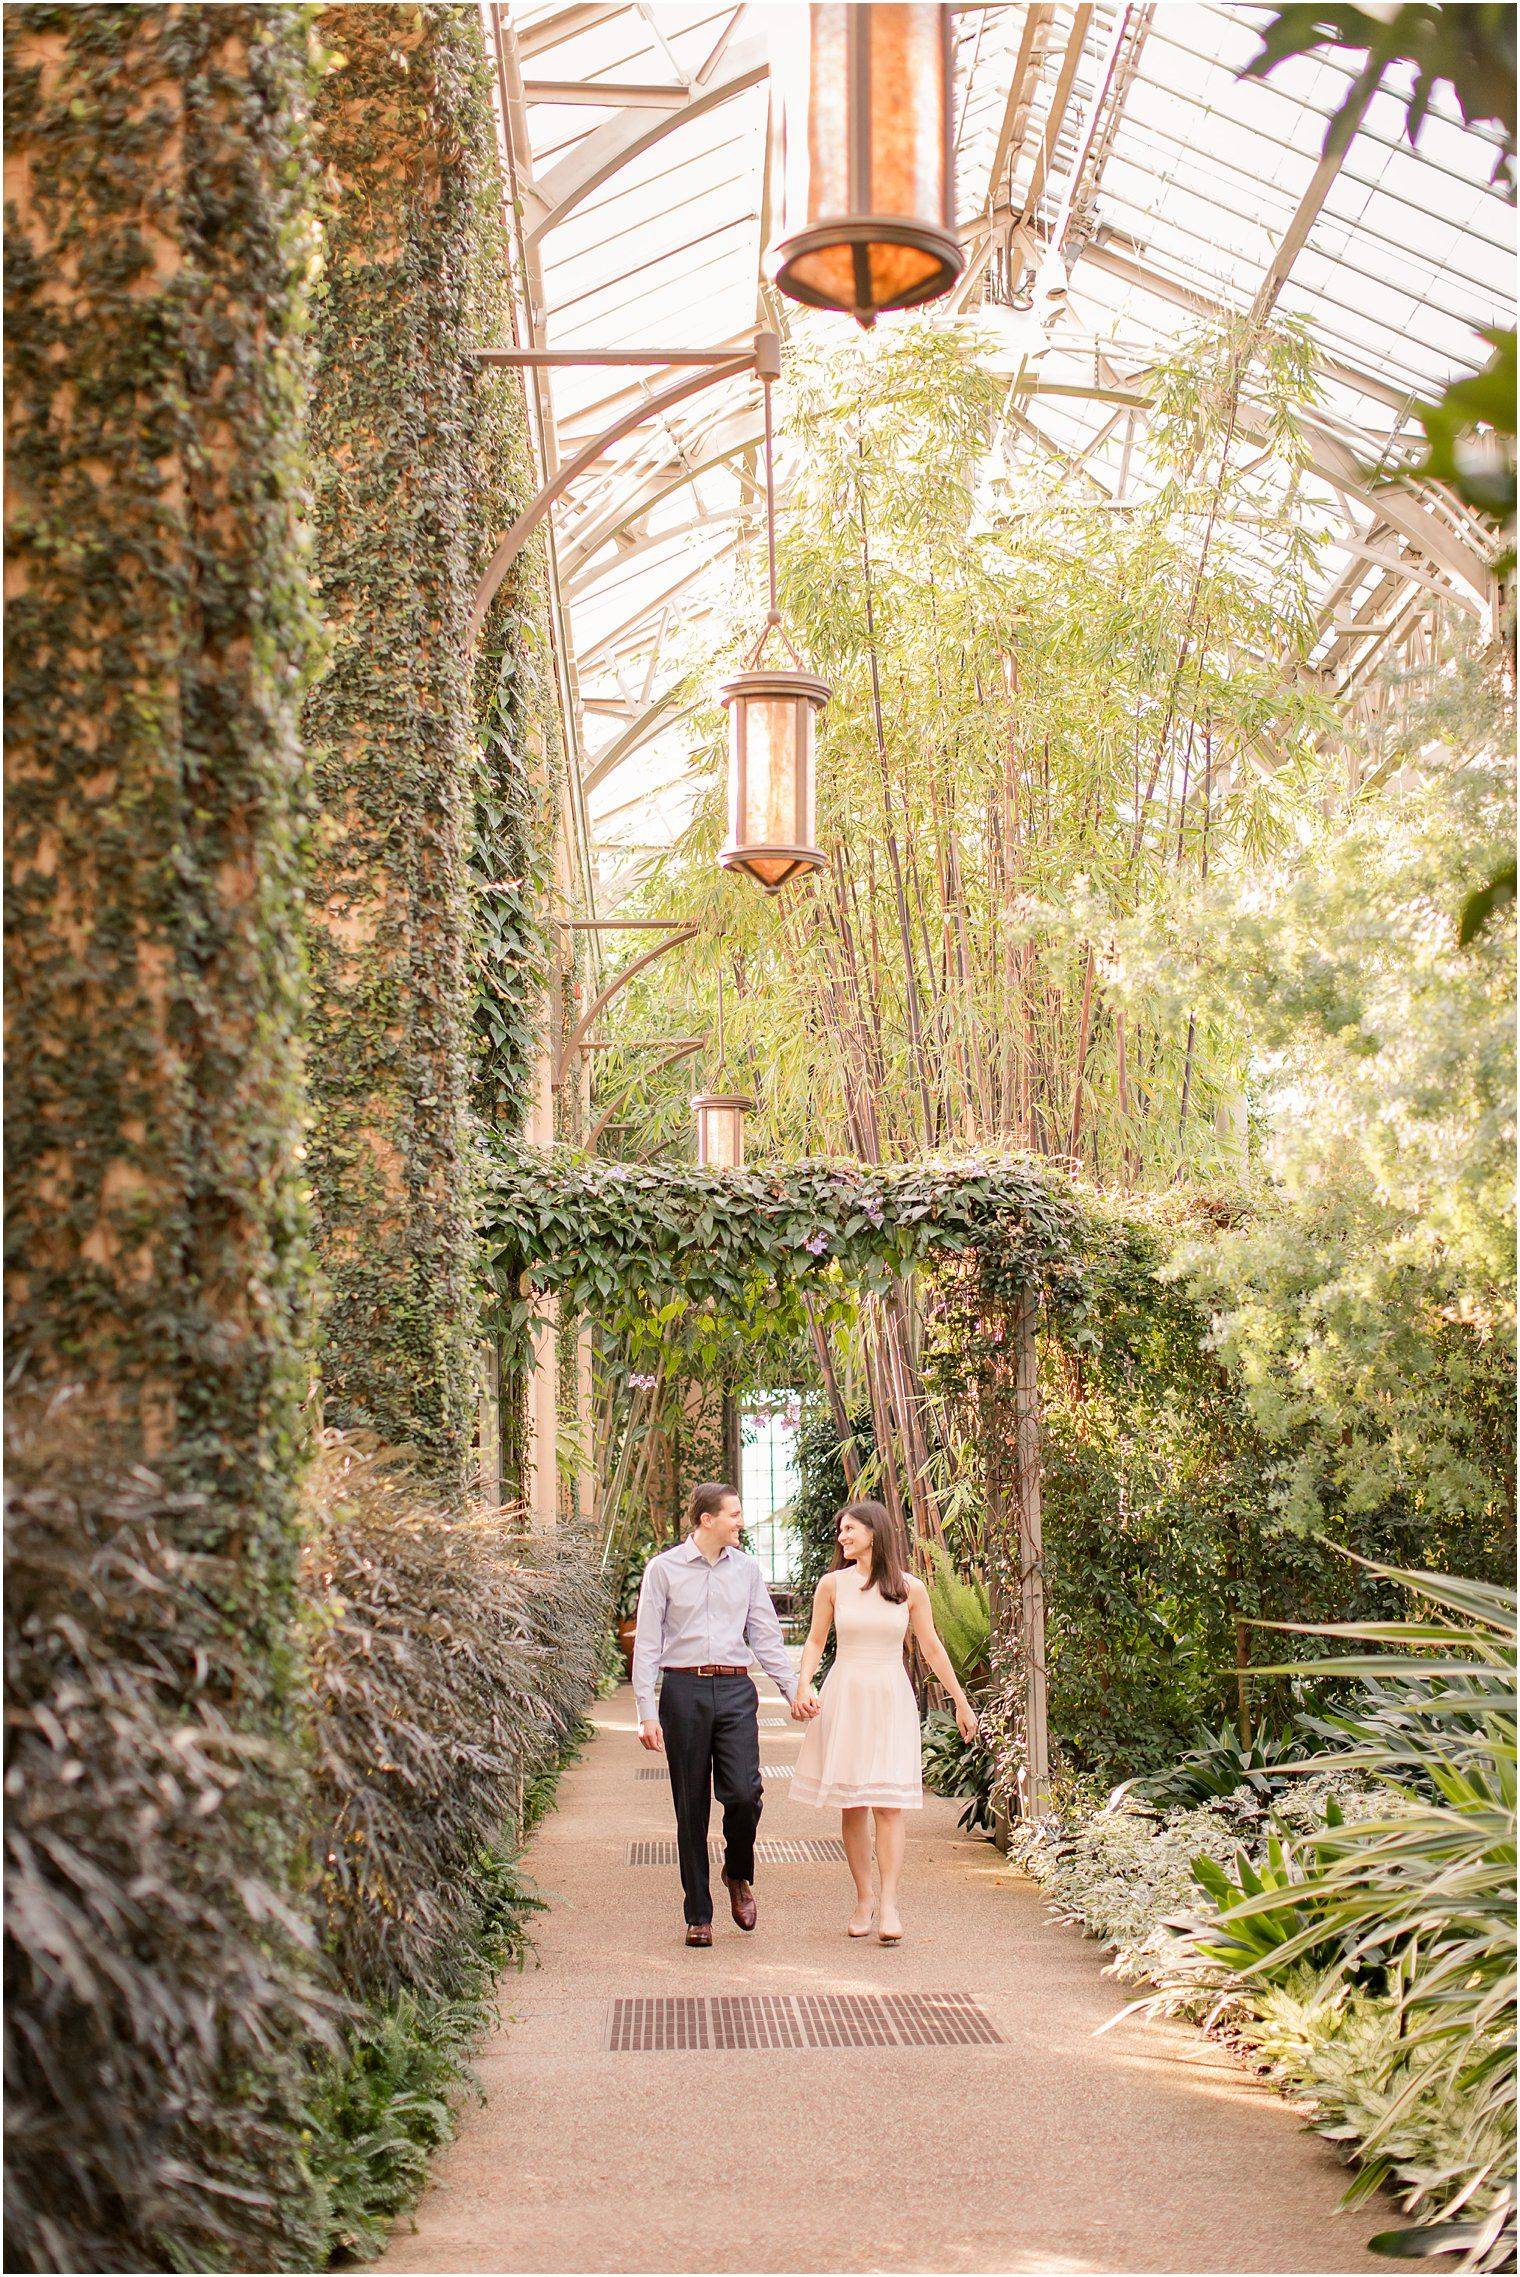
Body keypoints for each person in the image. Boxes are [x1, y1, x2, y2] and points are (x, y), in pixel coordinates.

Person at [632, 1480, 817, 1947]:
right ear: (706, 1520)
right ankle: (698, 1913)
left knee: (743, 1793)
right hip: (683, 1690)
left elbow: (766, 1636)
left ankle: (737, 1873)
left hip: (736, 1688)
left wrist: (793, 1689)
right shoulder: (664, 1570)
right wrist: (646, 1712)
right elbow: (648, 1644)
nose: (741, 1522)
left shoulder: (748, 1570)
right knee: (690, 1804)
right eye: (734, 1514)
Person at [791, 1498, 979, 1945]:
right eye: (841, 1531)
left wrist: (960, 1699)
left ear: (874, 1532)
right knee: (853, 1803)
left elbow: (932, 1647)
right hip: (846, 1693)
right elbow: (816, 1640)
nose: (842, 1537)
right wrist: (804, 1684)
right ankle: (863, 1898)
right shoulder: (832, 1585)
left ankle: (890, 1903)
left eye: (850, 1529)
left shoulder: (909, 1587)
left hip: (890, 1696)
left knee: (889, 1805)